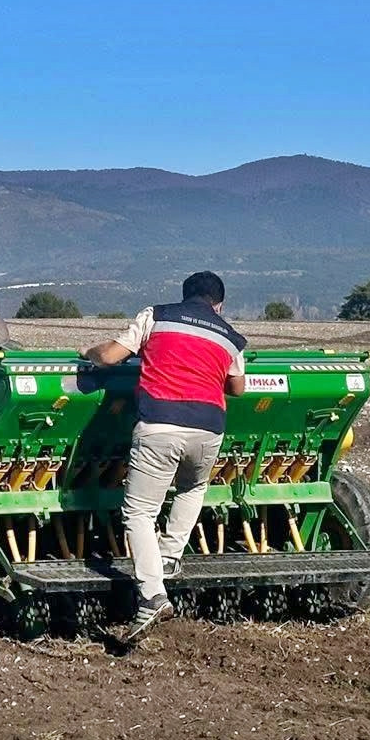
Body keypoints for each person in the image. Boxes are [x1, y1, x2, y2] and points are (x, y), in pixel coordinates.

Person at [82, 271, 247, 639]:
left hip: (160, 425)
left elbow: (110, 356)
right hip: (209, 430)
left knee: (139, 511)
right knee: (192, 487)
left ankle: (153, 595)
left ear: (185, 295)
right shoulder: (231, 336)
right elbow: (237, 388)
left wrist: (87, 353)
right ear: (219, 304)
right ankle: (170, 556)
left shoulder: (156, 315)